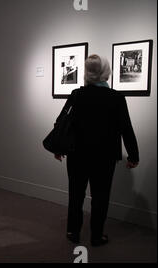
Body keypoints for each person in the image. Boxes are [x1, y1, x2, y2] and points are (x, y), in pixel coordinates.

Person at [54, 55, 139, 247]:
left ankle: (73, 232)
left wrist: (59, 148)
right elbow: (126, 128)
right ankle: (97, 236)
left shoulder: (76, 94)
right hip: (104, 157)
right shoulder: (116, 98)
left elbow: (61, 122)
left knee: (76, 194)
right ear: (105, 72)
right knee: (101, 197)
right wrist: (133, 155)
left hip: (77, 154)